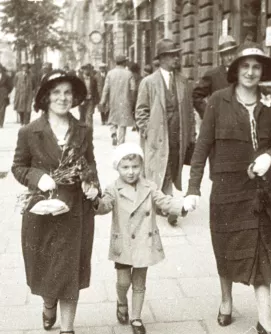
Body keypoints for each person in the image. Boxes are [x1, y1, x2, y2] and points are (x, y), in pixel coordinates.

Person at [184, 45, 271, 334]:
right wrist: (193, 189)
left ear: (263, 72)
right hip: (227, 189)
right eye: (245, 66)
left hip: (260, 190)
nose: (250, 72)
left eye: (257, 67)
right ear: (236, 70)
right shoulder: (218, 101)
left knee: (263, 247)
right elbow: (203, 146)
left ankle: (266, 322)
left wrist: (270, 156)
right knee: (226, 246)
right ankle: (226, 300)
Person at [12, 71, 100, 334]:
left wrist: (92, 185)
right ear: (46, 97)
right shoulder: (29, 131)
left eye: (68, 93)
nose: (63, 98)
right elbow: (18, 167)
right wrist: (38, 177)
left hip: (75, 210)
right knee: (47, 269)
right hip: (43, 209)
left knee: (70, 270)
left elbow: (90, 165)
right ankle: (48, 304)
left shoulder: (83, 129)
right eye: (57, 93)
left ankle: (68, 329)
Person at [95, 142, 185, 334]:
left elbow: (163, 201)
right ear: (117, 167)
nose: (130, 172)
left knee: (139, 282)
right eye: (125, 167)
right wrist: (95, 200)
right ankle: (121, 301)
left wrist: (181, 206)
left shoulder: (149, 186)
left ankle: (136, 317)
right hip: (124, 243)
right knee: (123, 281)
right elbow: (104, 206)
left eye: (135, 167)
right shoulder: (113, 188)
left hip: (144, 241)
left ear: (142, 166)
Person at [134, 39, 195, 224]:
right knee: (161, 168)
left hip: (177, 135)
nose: (177, 58)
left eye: (177, 54)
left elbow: (189, 111)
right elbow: (140, 111)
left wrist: (191, 135)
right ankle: (167, 205)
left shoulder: (183, 81)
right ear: (161, 59)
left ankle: (163, 201)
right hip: (158, 136)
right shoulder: (149, 82)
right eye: (172, 55)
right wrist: (147, 131)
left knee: (172, 165)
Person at [192, 32, 238, 118]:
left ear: (236, 54)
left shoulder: (243, 74)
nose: (229, 57)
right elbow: (195, 96)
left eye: (232, 53)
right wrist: (208, 113)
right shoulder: (213, 75)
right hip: (220, 124)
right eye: (225, 54)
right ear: (221, 56)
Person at [99, 55, 135, 145]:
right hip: (125, 101)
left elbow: (105, 89)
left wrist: (102, 101)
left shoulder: (110, 73)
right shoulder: (129, 73)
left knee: (112, 118)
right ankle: (121, 143)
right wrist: (132, 101)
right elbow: (133, 88)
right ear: (124, 62)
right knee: (123, 123)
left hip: (113, 101)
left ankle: (113, 133)